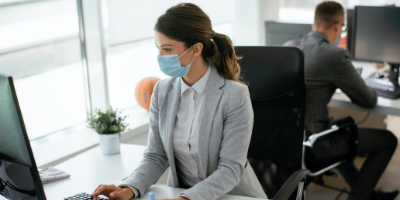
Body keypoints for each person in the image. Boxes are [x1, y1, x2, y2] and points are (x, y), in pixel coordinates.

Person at [90, 3, 267, 200]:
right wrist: (129, 188)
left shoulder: (234, 95)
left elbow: (230, 169)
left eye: (167, 49)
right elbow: (155, 156)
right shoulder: (162, 91)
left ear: (196, 49)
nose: (160, 56)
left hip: (232, 196)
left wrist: (185, 199)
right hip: (179, 194)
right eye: (158, 48)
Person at [284, 1, 398, 200]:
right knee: (389, 139)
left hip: (288, 141)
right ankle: (360, 197)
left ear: (314, 24)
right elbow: (368, 100)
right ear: (338, 26)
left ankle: (367, 193)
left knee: (344, 132)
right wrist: (357, 80)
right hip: (316, 145)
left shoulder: (288, 48)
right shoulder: (335, 56)